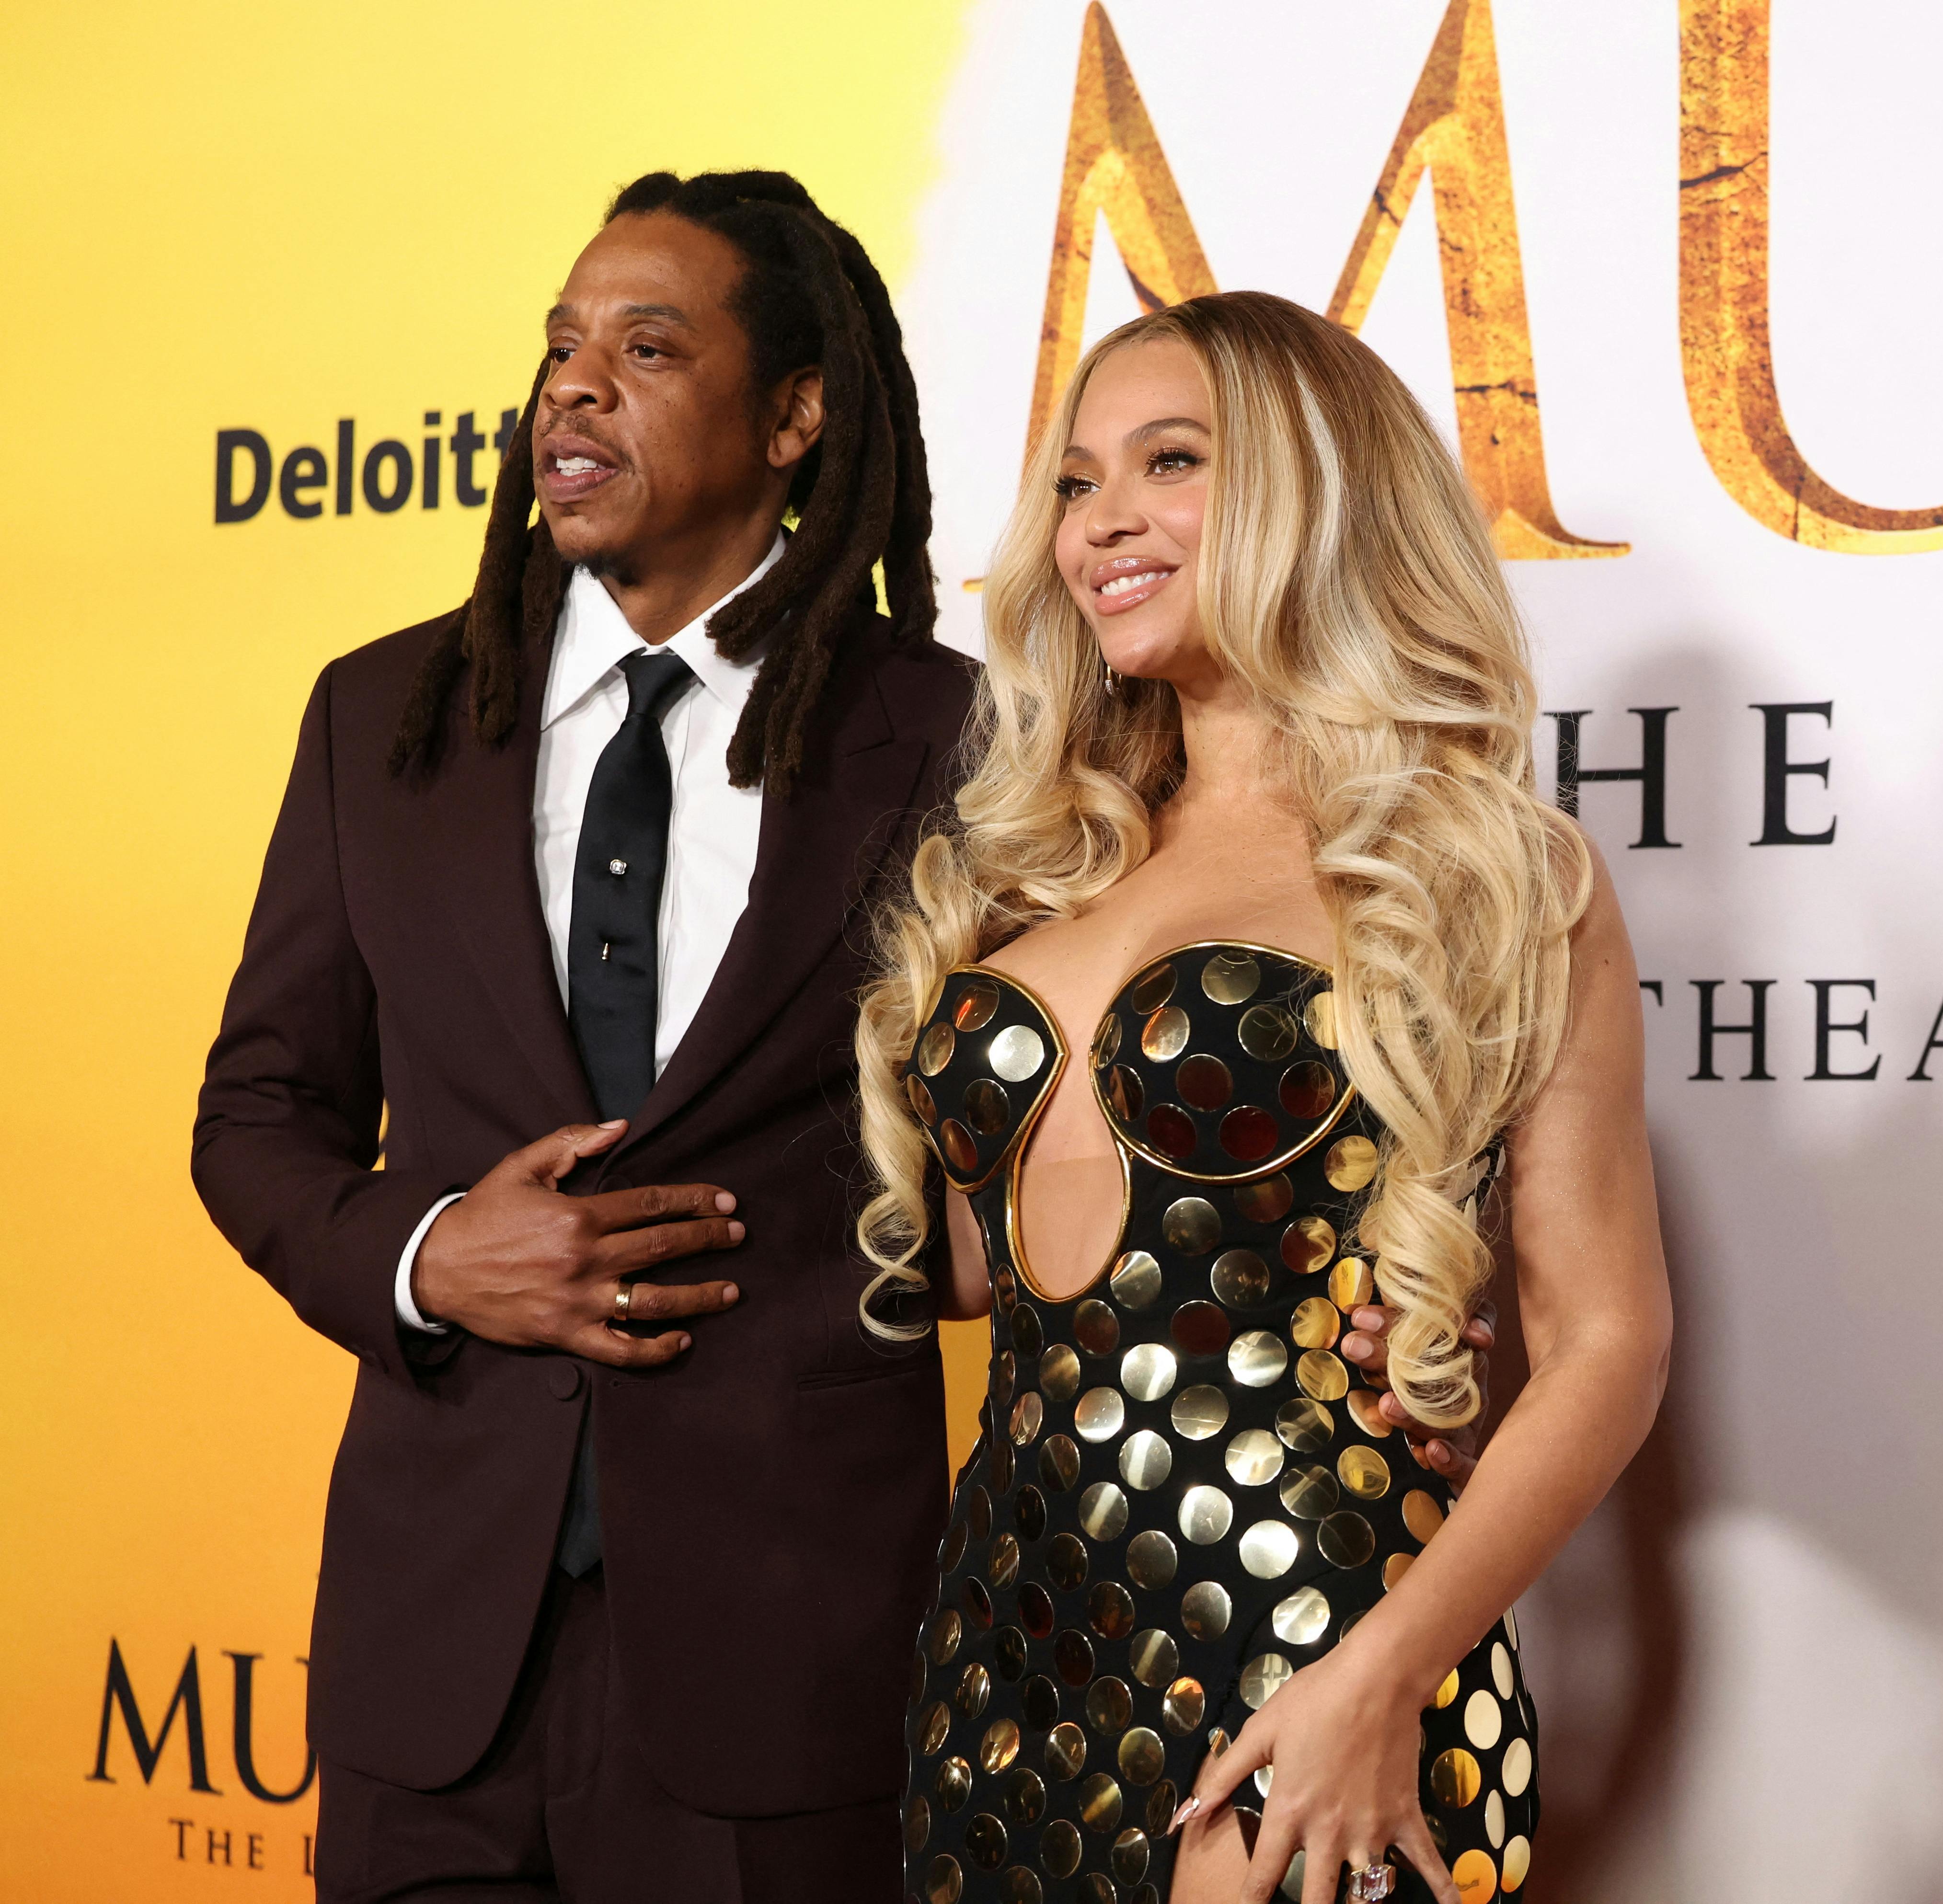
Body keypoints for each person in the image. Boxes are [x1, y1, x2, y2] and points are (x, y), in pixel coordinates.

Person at [193, 171, 975, 1901]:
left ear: (795, 416)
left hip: (784, 1661)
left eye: (644, 346)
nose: (573, 386)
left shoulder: (945, 735)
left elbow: (1024, 1152)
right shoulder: (381, 718)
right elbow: (257, 1113)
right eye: (559, 347)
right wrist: (425, 1255)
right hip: (435, 1662)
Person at [856, 290, 1675, 1904]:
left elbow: (1611, 1342)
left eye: (1171, 462)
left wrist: (1382, 1676)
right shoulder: (1032, 869)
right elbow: (970, 1273)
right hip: (1005, 1656)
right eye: (1078, 481)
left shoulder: (1489, 871)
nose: (1102, 523)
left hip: (1309, 1635)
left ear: (1318, 494)